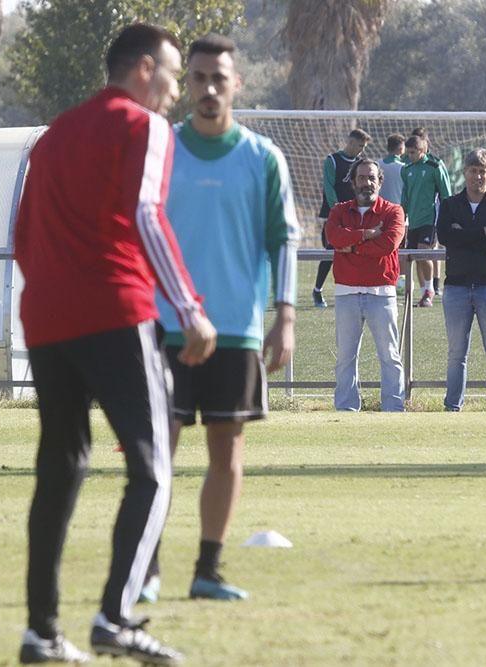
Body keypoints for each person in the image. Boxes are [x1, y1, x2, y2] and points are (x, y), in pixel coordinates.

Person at [14, 24, 218, 665]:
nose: (176, 91)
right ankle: (116, 617)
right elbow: (147, 215)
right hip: (116, 310)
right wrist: (188, 308)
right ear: (142, 69)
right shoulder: (144, 126)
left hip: (47, 317)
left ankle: (41, 631)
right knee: (152, 469)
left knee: (61, 469)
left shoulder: (51, 136)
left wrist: (53, 290)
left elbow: (23, 234)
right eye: (172, 73)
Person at [145, 34, 299, 603]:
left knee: (226, 449)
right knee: (157, 451)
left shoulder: (263, 158)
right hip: (166, 327)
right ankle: (146, 569)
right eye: (199, 78)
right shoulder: (159, 149)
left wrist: (285, 316)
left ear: (237, 84)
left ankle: (208, 570)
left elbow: (285, 239)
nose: (209, 89)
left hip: (236, 328)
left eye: (219, 78)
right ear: (187, 85)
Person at [325, 158, 406, 412]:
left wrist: (351, 248)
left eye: (372, 177)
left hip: (381, 293)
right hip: (346, 292)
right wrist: (366, 234)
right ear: (353, 182)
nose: (367, 183)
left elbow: (389, 244)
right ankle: (346, 408)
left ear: (380, 181)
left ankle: (393, 407)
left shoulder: (393, 211)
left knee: (390, 356)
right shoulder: (339, 211)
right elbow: (333, 237)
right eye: (361, 178)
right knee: (345, 358)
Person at [436, 148, 486, 411]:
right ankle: (452, 406)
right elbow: (446, 237)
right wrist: (483, 233)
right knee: (457, 353)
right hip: (457, 286)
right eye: (473, 170)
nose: (477, 176)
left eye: (483, 171)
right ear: (464, 172)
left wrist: (466, 234)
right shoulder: (449, 205)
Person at [312, 128, 370, 308]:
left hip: (355, 214)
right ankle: (317, 290)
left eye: (364, 146)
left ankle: (357, 290)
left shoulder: (361, 163)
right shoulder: (333, 160)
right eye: (360, 145)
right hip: (334, 215)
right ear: (350, 142)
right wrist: (337, 209)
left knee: (358, 251)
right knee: (331, 251)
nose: (362, 149)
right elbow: (328, 186)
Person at [401, 132, 452, 307]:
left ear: (422, 150)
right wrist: (402, 214)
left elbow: (446, 195)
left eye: (413, 152)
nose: (410, 156)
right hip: (413, 221)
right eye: (408, 153)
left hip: (430, 219)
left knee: (424, 252)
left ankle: (430, 289)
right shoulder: (406, 169)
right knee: (413, 256)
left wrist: (447, 217)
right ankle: (424, 293)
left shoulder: (434, 167)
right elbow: (405, 196)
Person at [378, 133, 406, 204]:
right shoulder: (404, 167)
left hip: (380, 207)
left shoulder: (377, 164)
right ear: (401, 149)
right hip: (397, 208)